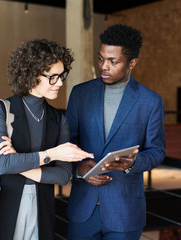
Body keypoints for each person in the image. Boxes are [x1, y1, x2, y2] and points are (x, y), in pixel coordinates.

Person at [0, 39, 94, 240]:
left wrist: (17, 161)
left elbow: (63, 176)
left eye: (62, 76)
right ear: (30, 75)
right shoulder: (0, 109)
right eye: (53, 77)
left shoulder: (58, 119)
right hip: (5, 203)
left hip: (42, 206)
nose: (60, 83)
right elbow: (1, 163)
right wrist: (52, 154)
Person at [66, 24, 166, 239]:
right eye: (101, 58)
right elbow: (68, 141)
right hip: (82, 208)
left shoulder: (151, 101)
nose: (104, 66)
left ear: (132, 63)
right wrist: (80, 169)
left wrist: (133, 163)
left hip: (125, 212)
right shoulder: (80, 94)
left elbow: (157, 151)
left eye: (113, 61)